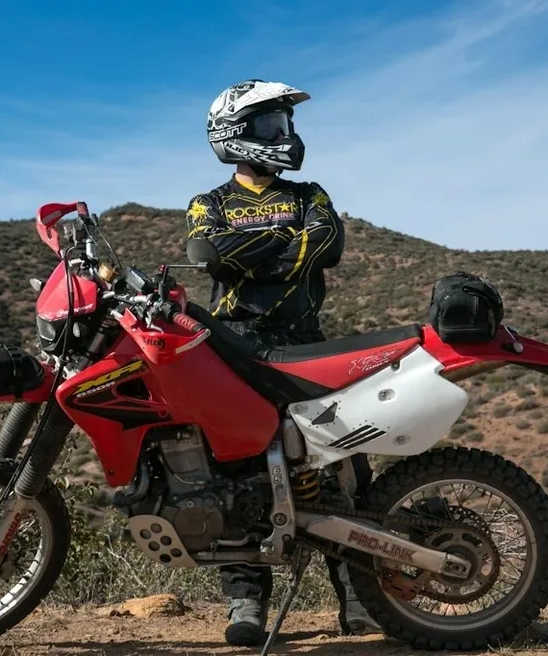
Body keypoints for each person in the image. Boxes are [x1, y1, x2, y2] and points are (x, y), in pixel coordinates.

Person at [183, 79, 382, 647]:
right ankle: (246, 603)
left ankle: (358, 599)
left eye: (285, 125)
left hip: (305, 342)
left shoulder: (310, 194)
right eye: (271, 126)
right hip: (233, 344)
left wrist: (253, 253)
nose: (285, 136)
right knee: (237, 469)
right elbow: (208, 253)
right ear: (236, 135)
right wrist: (285, 243)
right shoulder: (208, 203)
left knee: (342, 464)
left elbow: (328, 246)